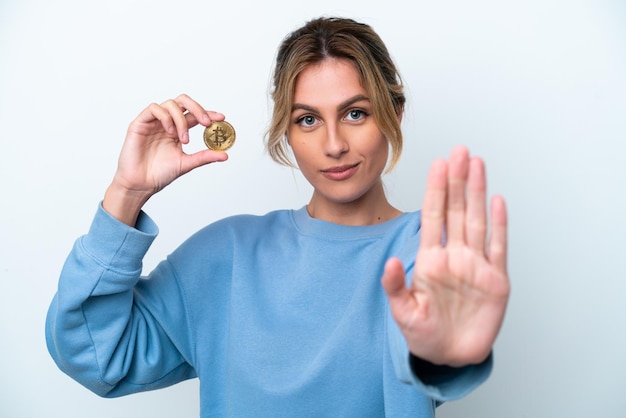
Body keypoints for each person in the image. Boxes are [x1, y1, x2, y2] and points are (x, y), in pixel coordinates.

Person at [45, 16, 509, 417]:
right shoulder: (226, 256)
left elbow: (433, 352)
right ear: (286, 130)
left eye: (355, 113)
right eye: (308, 119)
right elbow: (96, 355)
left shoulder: (428, 249)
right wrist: (127, 193)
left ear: (395, 113)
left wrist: (443, 356)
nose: (333, 144)